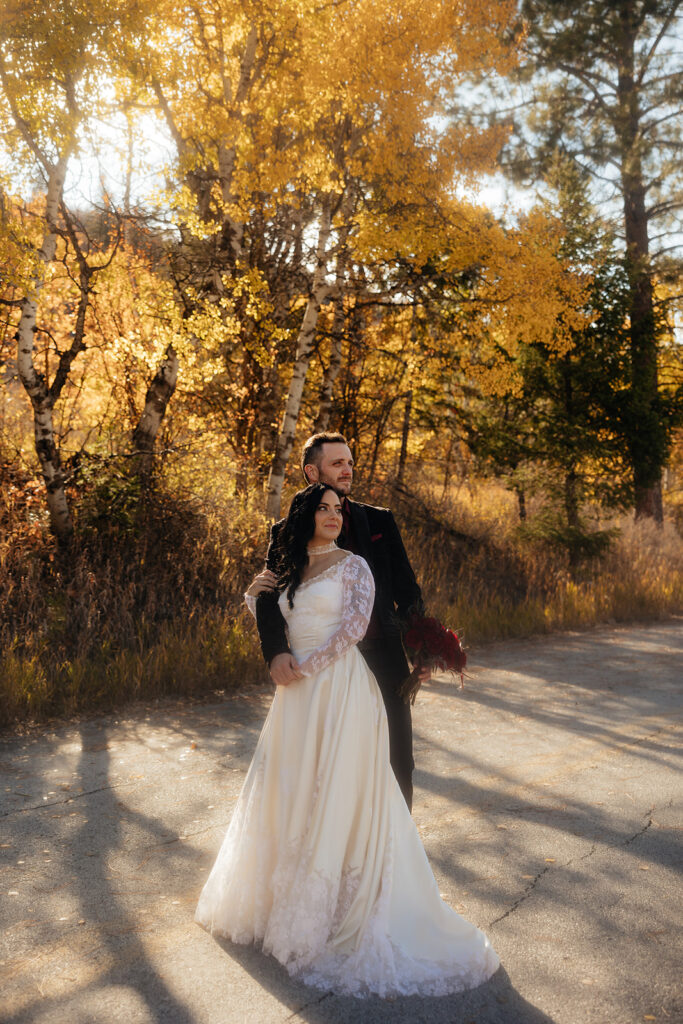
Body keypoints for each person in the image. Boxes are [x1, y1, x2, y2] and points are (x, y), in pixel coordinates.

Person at [195, 483, 499, 997]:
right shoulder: (289, 570)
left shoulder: (354, 565)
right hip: (295, 697)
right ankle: (278, 905)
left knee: (336, 790)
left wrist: (302, 668)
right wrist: (254, 593)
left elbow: (353, 630)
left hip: (338, 688)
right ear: (305, 514)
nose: (335, 516)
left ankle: (339, 906)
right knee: (291, 788)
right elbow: (270, 615)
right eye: (325, 508)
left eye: (339, 509)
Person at [251, 432, 425, 810]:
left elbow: (407, 591)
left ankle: (392, 860)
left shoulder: (380, 521)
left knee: (396, 761)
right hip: (316, 668)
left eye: (349, 462)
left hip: (383, 659)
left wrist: (421, 651)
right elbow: (268, 598)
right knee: (320, 767)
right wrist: (276, 653)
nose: (347, 470)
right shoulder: (284, 533)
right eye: (337, 463)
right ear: (312, 472)